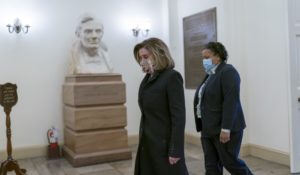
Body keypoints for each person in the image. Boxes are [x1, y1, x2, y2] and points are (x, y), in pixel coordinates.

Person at [193, 42, 253, 175]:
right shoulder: (211, 73)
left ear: (218, 56)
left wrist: (226, 129)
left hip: (224, 128)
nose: (204, 61)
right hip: (208, 129)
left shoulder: (228, 71)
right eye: (203, 58)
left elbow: (231, 102)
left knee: (230, 162)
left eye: (207, 57)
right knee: (211, 165)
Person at [133, 38, 189, 175]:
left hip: (164, 144)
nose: (142, 61)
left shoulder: (172, 77)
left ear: (159, 54)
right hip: (148, 142)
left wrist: (175, 149)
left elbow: (178, 117)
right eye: (140, 57)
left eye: (146, 56)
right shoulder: (147, 79)